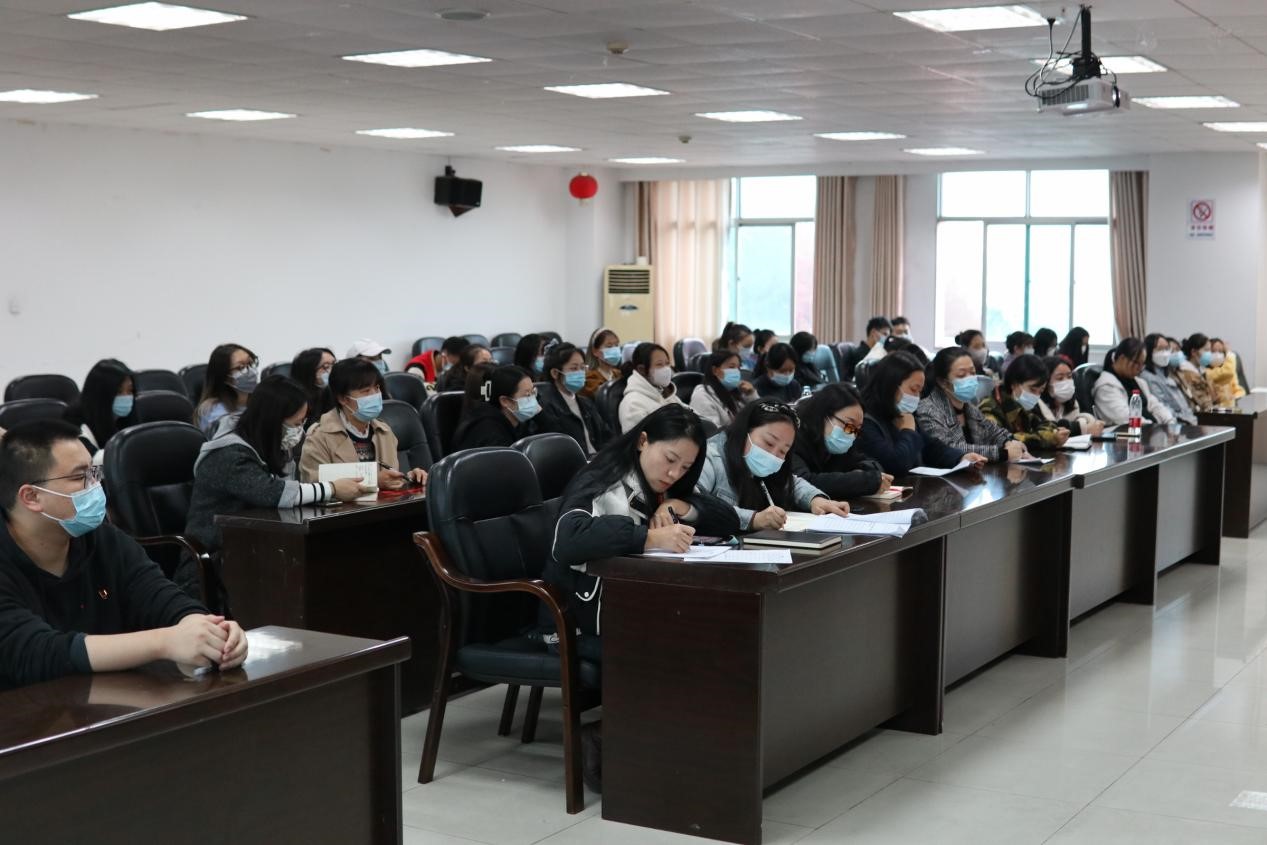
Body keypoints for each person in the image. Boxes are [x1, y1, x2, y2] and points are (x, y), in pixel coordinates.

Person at [0, 421, 248, 688]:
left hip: (109, 698)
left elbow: (159, 596)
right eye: (79, 477)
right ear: (31, 497)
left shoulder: (104, 540)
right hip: (26, 708)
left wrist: (207, 630)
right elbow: (35, 653)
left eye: (94, 473)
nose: (95, 485)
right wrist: (164, 642)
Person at [548, 404, 740, 648]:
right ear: (643, 441)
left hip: (638, 609)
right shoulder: (602, 479)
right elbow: (567, 539)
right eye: (670, 459)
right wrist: (649, 537)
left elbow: (729, 520)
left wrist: (678, 505)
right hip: (581, 624)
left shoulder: (667, 488)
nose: (674, 474)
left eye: (685, 467)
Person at [185, 377, 365, 604]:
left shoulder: (270, 444)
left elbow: (291, 489)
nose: (300, 431)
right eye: (296, 424)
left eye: (303, 422)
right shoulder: (229, 454)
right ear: (272, 420)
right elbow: (273, 493)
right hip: (215, 562)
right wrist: (332, 488)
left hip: (260, 549)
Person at [696, 401, 851, 531]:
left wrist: (815, 500)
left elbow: (790, 482)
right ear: (745, 432)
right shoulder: (710, 458)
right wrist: (753, 519)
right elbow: (695, 502)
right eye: (769, 443)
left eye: (783, 451)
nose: (773, 455)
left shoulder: (761, 464)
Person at [299, 359, 427, 488]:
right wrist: (373, 481)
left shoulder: (384, 431)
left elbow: (389, 479)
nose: (375, 395)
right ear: (343, 399)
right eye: (366, 391)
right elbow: (314, 484)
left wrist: (408, 479)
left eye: (377, 388)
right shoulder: (319, 436)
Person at [858, 351, 986, 476]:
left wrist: (961, 458)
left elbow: (931, 448)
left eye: (920, 391)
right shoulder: (863, 422)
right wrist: (908, 430)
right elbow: (895, 466)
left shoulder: (901, 414)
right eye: (914, 389)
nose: (917, 397)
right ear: (890, 385)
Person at [916, 347, 1027, 462]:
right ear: (943, 382)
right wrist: (1002, 453)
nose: (970, 379)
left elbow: (994, 431)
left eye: (973, 373)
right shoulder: (927, 409)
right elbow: (948, 448)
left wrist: (1010, 442)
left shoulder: (970, 407)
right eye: (961, 375)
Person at [791, 384, 892, 499]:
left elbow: (866, 462)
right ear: (824, 415)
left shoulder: (837, 442)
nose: (851, 434)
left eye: (856, 429)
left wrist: (865, 471)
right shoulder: (792, 435)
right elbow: (804, 483)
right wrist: (861, 481)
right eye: (849, 424)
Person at [979, 354, 1070, 449]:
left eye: (1040, 391)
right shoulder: (990, 407)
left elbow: (1047, 425)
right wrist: (1048, 438)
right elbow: (1001, 440)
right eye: (1032, 390)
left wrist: (1054, 433)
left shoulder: (1025, 403)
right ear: (1014, 384)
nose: (1036, 396)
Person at [537, 343, 611, 457]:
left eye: (582, 368)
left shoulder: (586, 403)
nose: (580, 373)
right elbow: (557, 450)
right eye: (574, 368)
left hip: (597, 460)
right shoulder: (546, 407)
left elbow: (606, 436)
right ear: (555, 373)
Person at [451, 365, 540, 451]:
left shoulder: (517, 421)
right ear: (505, 401)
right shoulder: (489, 431)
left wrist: (540, 414)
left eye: (533, 392)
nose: (533, 399)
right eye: (527, 395)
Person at [64, 359, 134, 465]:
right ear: (101, 394)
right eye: (118, 392)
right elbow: (86, 470)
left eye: (130, 391)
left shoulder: (130, 416)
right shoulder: (73, 422)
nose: (126, 397)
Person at [1093, 337, 1173, 426]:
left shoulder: (1138, 382)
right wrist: (1154, 426)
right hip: (1130, 432)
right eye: (1137, 363)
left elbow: (1154, 405)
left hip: (1150, 428)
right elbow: (1125, 417)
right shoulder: (1106, 386)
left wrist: (1170, 421)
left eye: (1142, 364)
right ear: (1122, 359)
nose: (1140, 369)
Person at [193, 343, 258, 436]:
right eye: (240, 367)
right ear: (224, 376)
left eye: (251, 363)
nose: (250, 370)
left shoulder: (261, 400)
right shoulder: (213, 411)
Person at [618, 342, 684, 433]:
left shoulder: (666, 393)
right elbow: (637, 440)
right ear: (641, 369)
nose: (666, 369)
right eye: (659, 364)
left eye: (667, 363)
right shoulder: (633, 404)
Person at [1139, 333, 1197, 425]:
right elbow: (1162, 406)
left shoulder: (1167, 373)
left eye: (1167, 349)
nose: (1165, 353)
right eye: (1160, 349)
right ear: (1149, 351)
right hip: (1173, 424)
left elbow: (1182, 404)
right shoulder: (1147, 377)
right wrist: (1184, 421)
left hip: (1188, 420)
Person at [1039, 356, 1104, 436]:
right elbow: (1052, 432)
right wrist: (1084, 428)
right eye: (1060, 378)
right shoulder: (1037, 405)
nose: (1066, 381)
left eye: (1069, 377)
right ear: (1045, 382)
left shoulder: (1072, 403)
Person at [690, 350, 754, 429]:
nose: (737, 372)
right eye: (731, 367)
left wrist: (751, 394)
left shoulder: (736, 391)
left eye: (739, 368)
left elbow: (760, 416)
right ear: (715, 370)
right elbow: (713, 432)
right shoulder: (702, 396)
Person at [289, 347, 335, 429]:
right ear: (308, 371)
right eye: (326, 366)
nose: (333, 369)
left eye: (335, 364)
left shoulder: (335, 393)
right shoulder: (296, 401)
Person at [1177, 333, 1215, 413]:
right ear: (1194, 352)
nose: (1209, 354)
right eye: (1206, 350)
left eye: (1210, 350)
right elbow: (1202, 402)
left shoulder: (1201, 370)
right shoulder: (1187, 373)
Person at [581, 328, 623, 399]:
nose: (615, 349)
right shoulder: (590, 378)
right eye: (609, 346)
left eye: (616, 345)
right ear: (595, 351)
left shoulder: (618, 374)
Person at [1206, 337, 1246, 408]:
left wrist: (1236, 396)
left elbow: (1240, 390)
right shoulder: (1206, 371)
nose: (1217, 354)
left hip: (1231, 408)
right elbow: (1227, 372)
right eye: (1213, 351)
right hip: (1216, 410)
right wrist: (1229, 355)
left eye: (1220, 351)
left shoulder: (1227, 369)